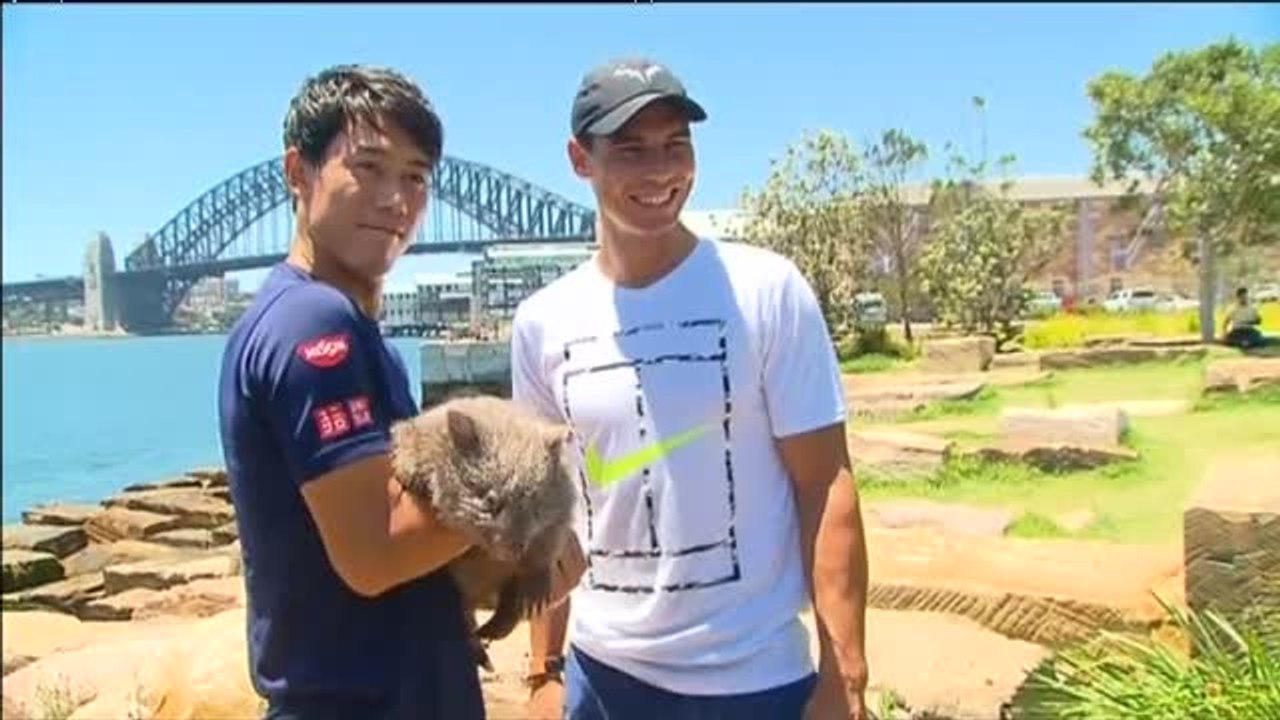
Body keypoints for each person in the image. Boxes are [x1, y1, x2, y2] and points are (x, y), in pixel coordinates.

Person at [510, 57, 871, 720]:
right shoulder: (541, 323)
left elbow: (825, 484)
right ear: (579, 159)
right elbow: (547, 509)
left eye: (676, 145)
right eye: (631, 150)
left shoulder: (767, 289)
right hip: (602, 679)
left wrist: (845, 678)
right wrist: (543, 671)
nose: (660, 172)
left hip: (758, 682)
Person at [218, 64, 578, 720]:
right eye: (368, 167)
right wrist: (534, 524)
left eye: (415, 176)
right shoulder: (314, 324)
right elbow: (375, 553)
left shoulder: (341, 324)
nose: (395, 199)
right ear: (297, 172)